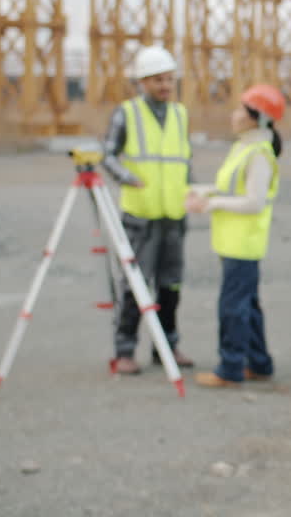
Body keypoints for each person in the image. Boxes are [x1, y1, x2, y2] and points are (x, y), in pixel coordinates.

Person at [101, 45, 194, 375]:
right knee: (135, 285)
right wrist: (129, 178)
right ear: (142, 82)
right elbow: (108, 155)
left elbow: (184, 159)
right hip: (140, 216)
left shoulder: (180, 115)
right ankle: (125, 349)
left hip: (173, 215)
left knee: (171, 285)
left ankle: (167, 345)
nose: (165, 86)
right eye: (158, 80)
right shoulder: (127, 113)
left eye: (169, 79)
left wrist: (192, 191)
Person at [186, 85, 285, 389]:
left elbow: (253, 202)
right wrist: (203, 193)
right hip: (232, 239)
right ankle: (259, 363)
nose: (234, 115)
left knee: (233, 307)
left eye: (241, 110)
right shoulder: (244, 146)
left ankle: (230, 368)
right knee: (248, 304)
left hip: (244, 242)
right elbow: (231, 189)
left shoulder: (258, 154)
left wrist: (212, 204)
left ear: (258, 118)